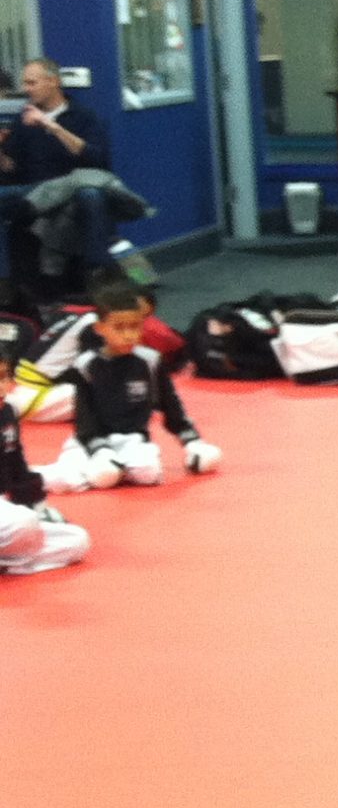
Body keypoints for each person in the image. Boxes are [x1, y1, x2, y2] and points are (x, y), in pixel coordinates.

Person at [42, 278, 220, 492]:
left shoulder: (151, 361)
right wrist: (102, 452)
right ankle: (32, 477)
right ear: (100, 328)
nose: (128, 335)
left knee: (149, 473)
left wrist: (193, 443)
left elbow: (172, 407)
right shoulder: (85, 366)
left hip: (132, 441)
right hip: (91, 441)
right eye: (119, 328)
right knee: (101, 475)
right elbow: (85, 422)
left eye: (134, 327)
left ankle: (113, 471)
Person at [0, 59, 119, 292]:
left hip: (74, 187)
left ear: (53, 81)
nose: (26, 88)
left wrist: (51, 126)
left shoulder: (84, 117)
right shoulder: (22, 121)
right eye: (25, 83)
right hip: (37, 191)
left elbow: (98, 160)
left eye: (32, 83)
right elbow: (10, 169)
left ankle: (97, 276)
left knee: (91, 196)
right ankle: (8, 286)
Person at [0, 300, 87, 575]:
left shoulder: (7, 412)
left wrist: (38, 504)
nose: (3, 386)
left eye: (4, 377)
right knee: (24, 523)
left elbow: (17, 466)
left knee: (77, 541)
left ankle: (8, 562)